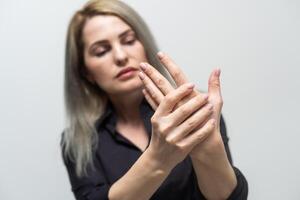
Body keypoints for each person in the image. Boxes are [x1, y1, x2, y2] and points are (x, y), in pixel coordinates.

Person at [61, 0, 248, 199]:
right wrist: (158, 159)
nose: (121, 56)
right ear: (86, 72)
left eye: (129, 40)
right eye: (101, 51)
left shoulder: (195, 110)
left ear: (144, 45)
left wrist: (208, 151)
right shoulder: (78, 142)